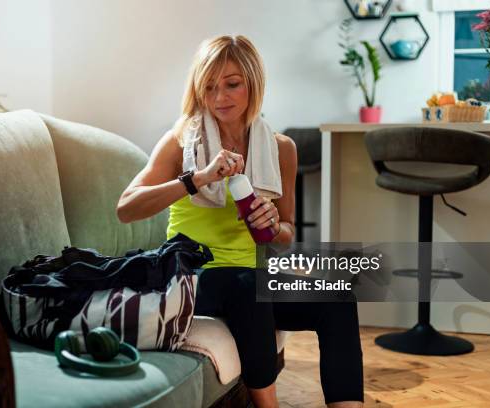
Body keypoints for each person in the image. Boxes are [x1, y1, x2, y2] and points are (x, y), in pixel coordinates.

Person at [117, 35, 363, 408]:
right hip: (192, 277)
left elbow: (285, 235)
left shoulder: (281, 149)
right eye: (210, 87)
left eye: (231, 84)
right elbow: (126, 207)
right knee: (249, 285)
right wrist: (196, 179)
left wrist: (272, 223)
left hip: (250, 279)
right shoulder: (182, 142)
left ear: (253, 82)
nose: (219, 98)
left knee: (336, 296)